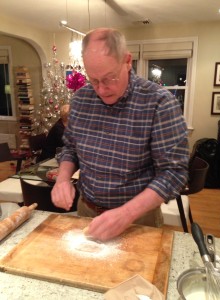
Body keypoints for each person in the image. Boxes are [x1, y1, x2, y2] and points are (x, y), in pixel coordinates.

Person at [51, 28, 189, 241]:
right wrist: (62, 179)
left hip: (138, 219)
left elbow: (173, 172)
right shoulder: (80, 100)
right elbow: (70, 147)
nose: (101, 89)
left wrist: (127, 213)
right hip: (86, 211)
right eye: (93, 80)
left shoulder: (159, 102)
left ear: (127, 61)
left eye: (109, 78)